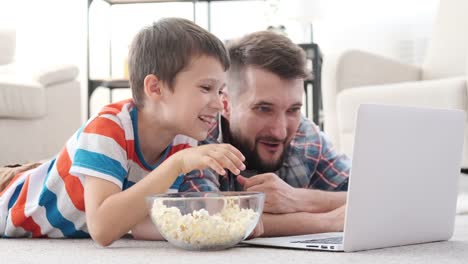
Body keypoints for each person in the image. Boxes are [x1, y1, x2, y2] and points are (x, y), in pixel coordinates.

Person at [0, 18, 246, 246]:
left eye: (220, 91)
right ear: (155, 87)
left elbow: (146, 222)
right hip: (8, 205)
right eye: (206, 88)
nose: (218, 103)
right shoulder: (108, 128)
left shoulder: (184, 139)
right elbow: (103, 229)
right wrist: (176, 164)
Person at [179, 31, 351, 237]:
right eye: (263, 109)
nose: (280, 131)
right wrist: (327, 221)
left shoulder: (305, 135)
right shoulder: (197, 139)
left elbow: (372, 196)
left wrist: (298, 199)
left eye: (293, 110)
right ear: (226, 104)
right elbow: (207, 218)